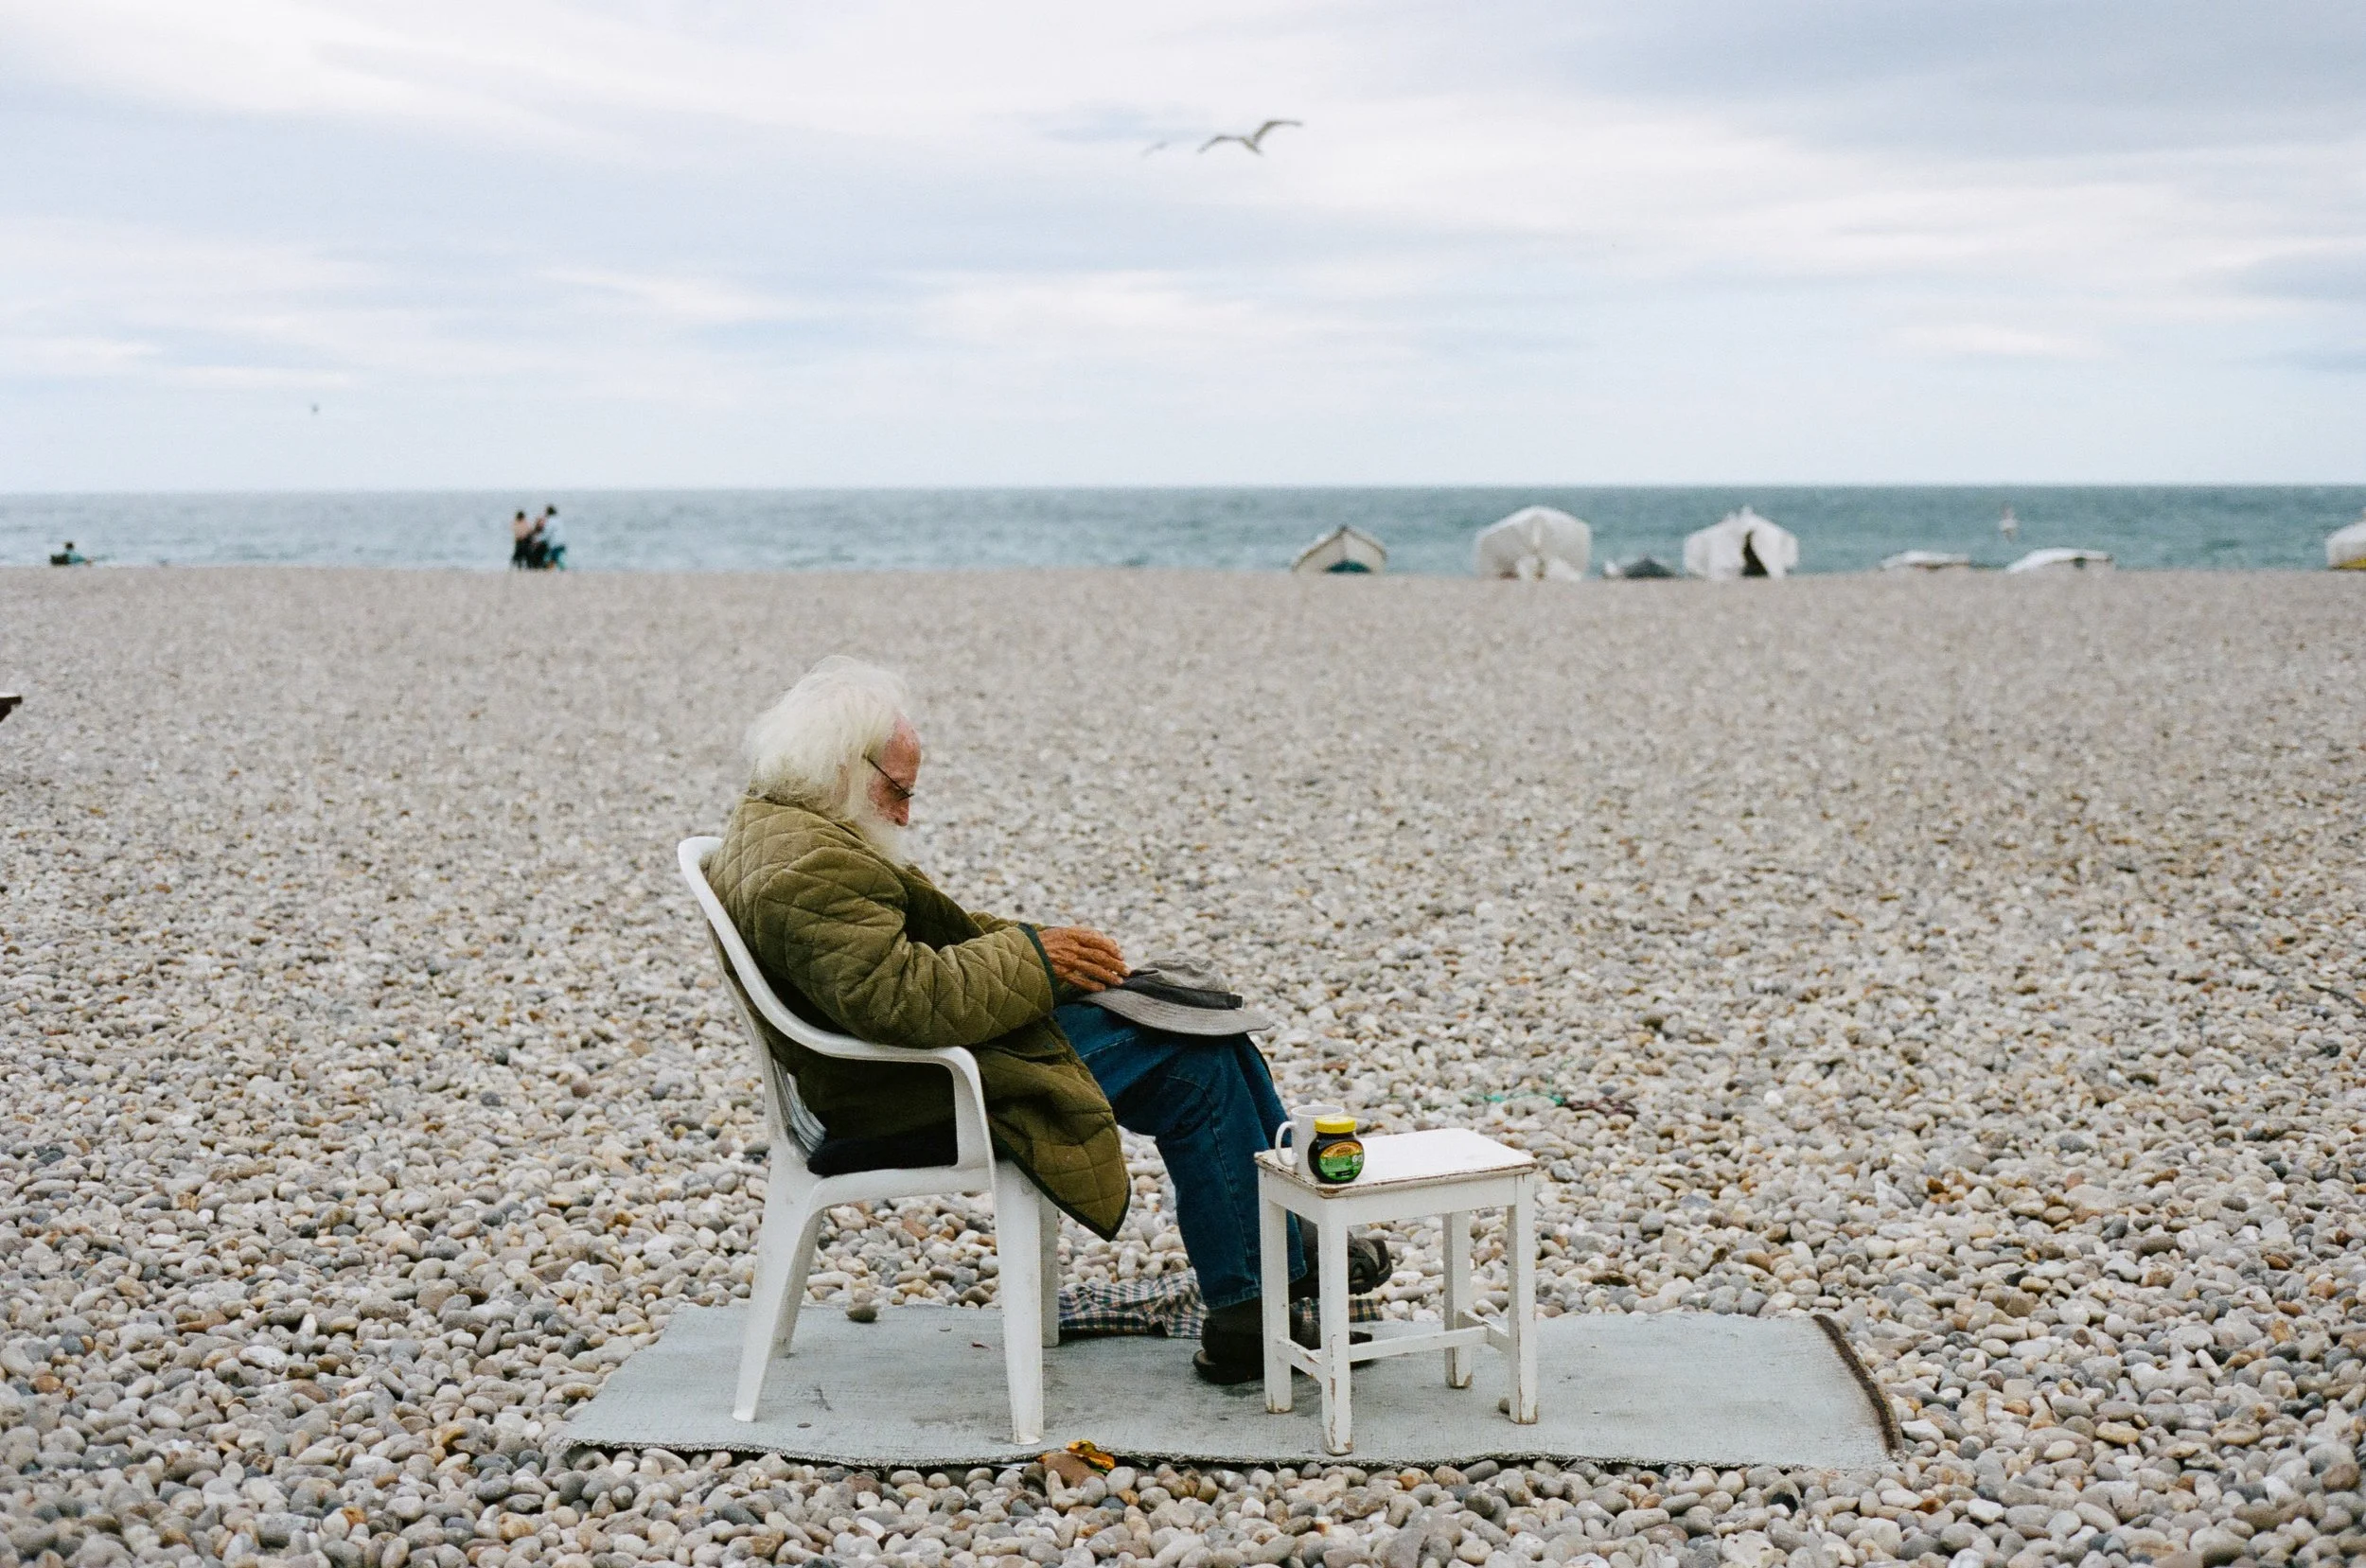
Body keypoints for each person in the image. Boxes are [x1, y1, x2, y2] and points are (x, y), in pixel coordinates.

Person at [709, 656, 1385, 1383]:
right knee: (1197, 1064)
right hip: (915, 1092)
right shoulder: (810, 868)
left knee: (1209, 1027)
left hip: (904, 1071)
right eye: (898, 791)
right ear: (844, 765)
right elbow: (898, 997)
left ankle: (1282, 1247)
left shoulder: (784, 825)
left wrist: (1046, 950)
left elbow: (917, 950)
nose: (905, 814)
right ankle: (1258, 1302)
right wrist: (1037, 959)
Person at [537, 505, 567, 570]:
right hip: (562, 542)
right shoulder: (559, 519)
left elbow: (546, 534)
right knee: (558, 559)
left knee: (550, 559)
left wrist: (537, 539)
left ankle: (553, 571)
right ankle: (561, 570)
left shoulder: (550, 521)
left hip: (555, 543)